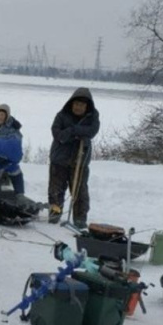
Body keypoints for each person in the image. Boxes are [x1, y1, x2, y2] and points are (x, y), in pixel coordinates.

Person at [48, 87, 100, 227]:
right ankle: (55, 214)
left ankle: (79, 219)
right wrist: (75, 134)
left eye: (81, 105)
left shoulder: (92, 116)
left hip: (80, 160)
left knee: (79, 191)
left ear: (86, 106)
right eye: (76, 104)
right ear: (71, 103)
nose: (78, 107)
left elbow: (92, 131)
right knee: (56, 190)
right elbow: (57, 134)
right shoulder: (62, 115)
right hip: (59, 159)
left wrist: (72, 131)